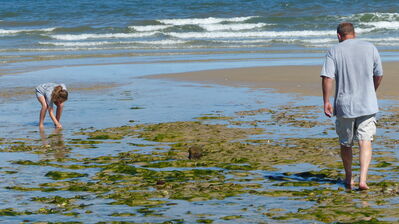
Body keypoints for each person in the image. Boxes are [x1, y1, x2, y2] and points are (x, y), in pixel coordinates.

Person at [321, 22, 383, 190]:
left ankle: (349, 178)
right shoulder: (370, 48)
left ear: (339, 36)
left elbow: (327, 77)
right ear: (354, 33)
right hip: (367, 103)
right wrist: (372, 90)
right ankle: (363, 179)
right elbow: (378, 75)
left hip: (344, 105)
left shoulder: (334, 50)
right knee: (365, 141)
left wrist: (326, 101)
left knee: (346, 143)